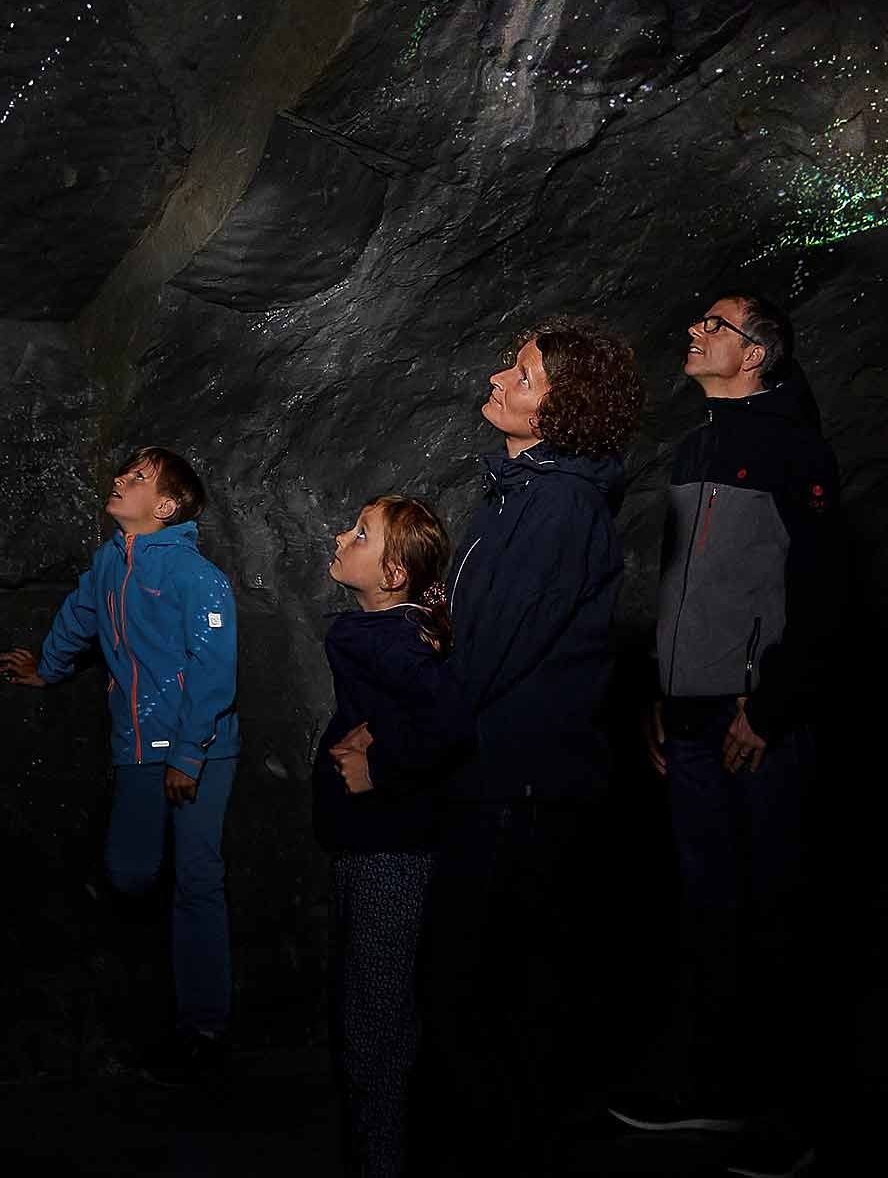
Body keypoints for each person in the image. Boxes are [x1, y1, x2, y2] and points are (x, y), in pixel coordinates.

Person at [609, 291, 844, 1146]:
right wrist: (660, 697)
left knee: (774, 912)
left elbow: (820, 589)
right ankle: (710, 1082)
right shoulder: (692, 449)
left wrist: (774, 706)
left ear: (756, 354)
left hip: (757, 728)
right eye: (698, 321)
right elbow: (678, 592)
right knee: (706, 909)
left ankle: (788, 1116)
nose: (694, 331)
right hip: (690, 721)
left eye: (714, 325)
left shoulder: (794, 452)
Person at [419, 316, 642, 1174]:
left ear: (563, 408)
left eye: (522, 372)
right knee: (481, 986)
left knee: (478, 990)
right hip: (496, 773)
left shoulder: (554, 505)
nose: (501, 377)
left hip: (519, 782)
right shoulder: (519, 492)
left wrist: (402, 747)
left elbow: (488, 655)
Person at [0, 446, 240, 1079]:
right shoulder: (110, 561)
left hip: (200, 748)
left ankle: (204, 1029)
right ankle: (162, 985)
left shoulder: (195, 576)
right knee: (131, 872)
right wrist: (47, 668)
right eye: (124, 472)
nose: (119, 481)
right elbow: (79, 617)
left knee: (199, 880)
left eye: (137, 479)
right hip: (135, 744)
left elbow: (213, 672)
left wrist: (189, 752)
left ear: (164, 507)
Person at [318, 496, 460, 1178]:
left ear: (395, 573)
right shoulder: (388, 633)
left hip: (392, 855)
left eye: (361, 533)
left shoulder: (394, 640)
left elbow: (451, 722)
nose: (343, 537)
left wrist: (381, 761)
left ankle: (382, 1163)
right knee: (370, 1014)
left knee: (376, 1023)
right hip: (371, 847)